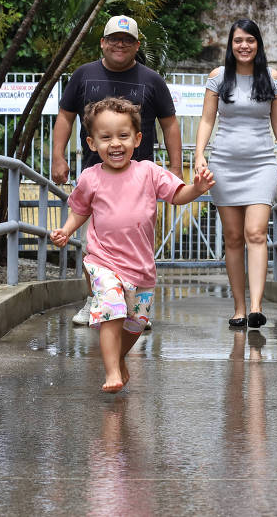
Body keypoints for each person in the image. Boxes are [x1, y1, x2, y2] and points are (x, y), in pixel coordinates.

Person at [51, 97, 214, 392]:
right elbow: (80, 210)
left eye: (123, 136)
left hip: (141, 268)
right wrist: (65, 230)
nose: (116, 144)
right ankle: (112, 372)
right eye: (106, 137)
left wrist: (197, 188)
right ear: (91, 143)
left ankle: (119, 359)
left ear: (137, 139)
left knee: (136, 322)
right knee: (112, 308)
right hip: (103, 262)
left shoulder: (148, 172)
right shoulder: (91, 177)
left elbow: (176, 195)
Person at [52, 14, 183, 327]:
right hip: (97, 174)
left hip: (139, 180)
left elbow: (170, 123)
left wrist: (176, 167)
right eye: (113, 39)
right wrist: (58, 156)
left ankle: (134, 304)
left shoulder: (152, 80)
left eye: (127, 40)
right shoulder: (83, 75)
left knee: (135, 240)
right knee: (93, 246)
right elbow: (65, 116)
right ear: (103, 42)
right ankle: (96, 299)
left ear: (137, 45)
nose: (119, 45)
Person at [194, 19, 277, 329]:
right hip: (224, 164)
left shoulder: (272, 78)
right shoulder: (218, 78)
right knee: (234, 238)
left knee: (256, 233)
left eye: (250, 40)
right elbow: (207, 121)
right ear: (231, 44)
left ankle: (256, 307)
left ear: (258, 44)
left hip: (261, 165)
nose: (244, 46)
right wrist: (200, 154)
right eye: (238, 40)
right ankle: (239, 307)